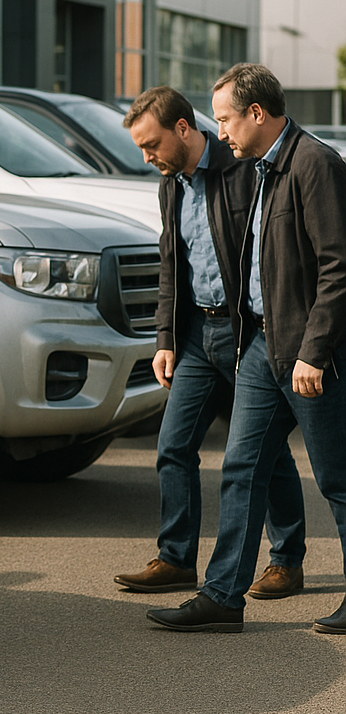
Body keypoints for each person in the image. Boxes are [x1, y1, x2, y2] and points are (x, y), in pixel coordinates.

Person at [148, 63, 346, 633]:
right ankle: (222, 597)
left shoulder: (314, 164)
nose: (222, 130)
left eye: (226, 118)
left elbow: (339, 266)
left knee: (336, 478)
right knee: (241, 467)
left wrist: (315, 349)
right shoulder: (260, 169)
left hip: (309, 353)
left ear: (257, 113)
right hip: (261, 344)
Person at [115, 86, 306, 598]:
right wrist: (165, 338)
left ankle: (286, 560)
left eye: (151, 143)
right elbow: (171, 265)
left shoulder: (243, 167)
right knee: (173, 446)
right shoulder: (171, 184)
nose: (147, 155)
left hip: (247, 332)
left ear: (182, 128)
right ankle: (176, 559)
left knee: (262, 454)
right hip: (198, 336)